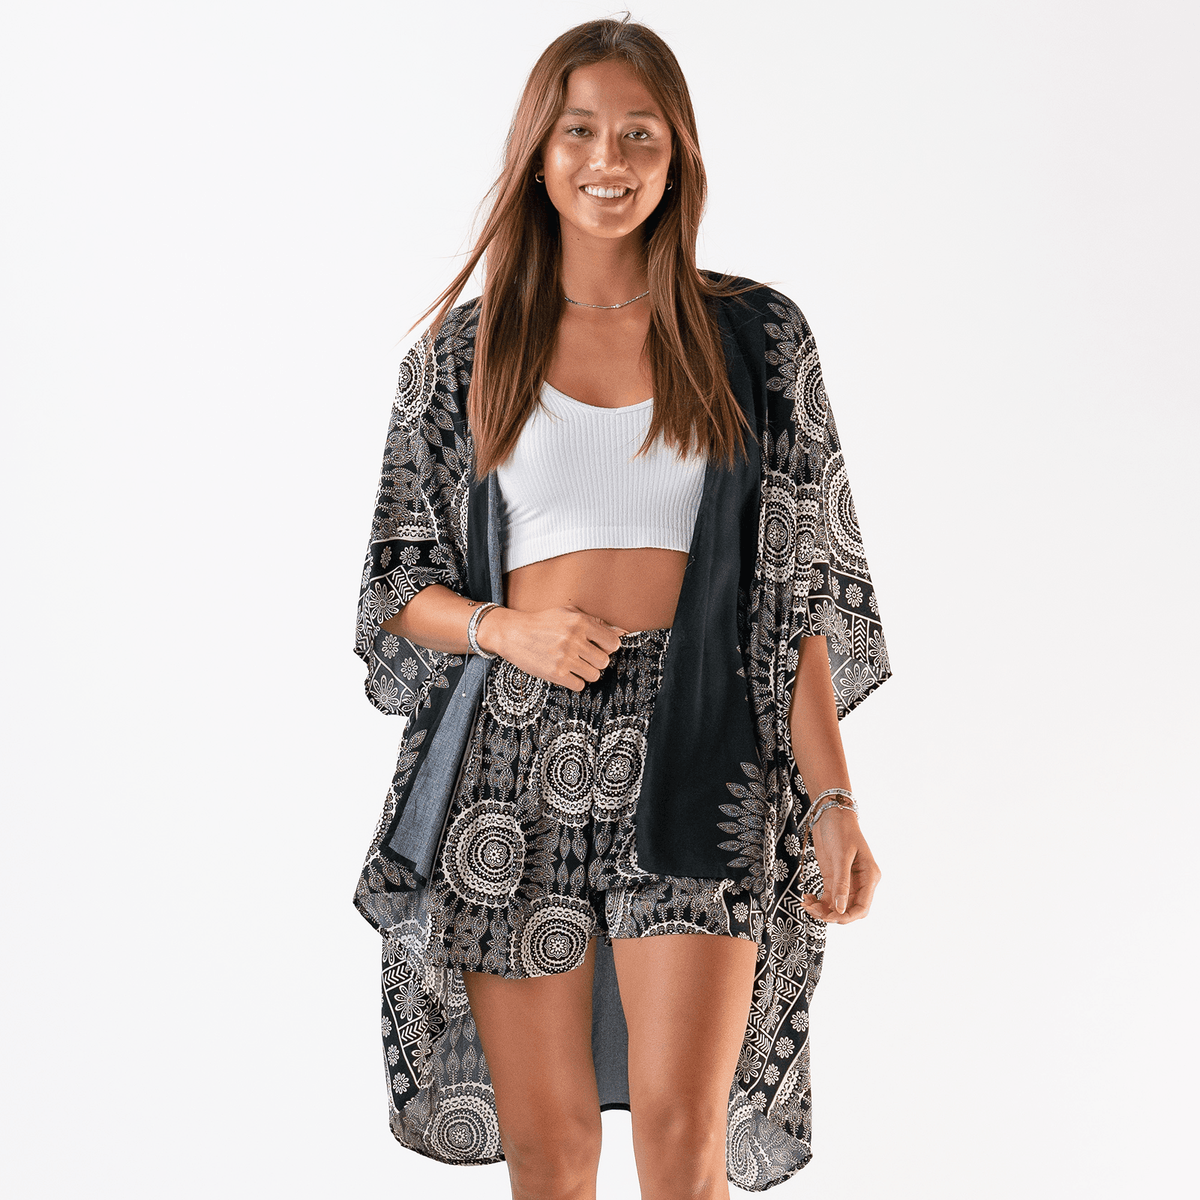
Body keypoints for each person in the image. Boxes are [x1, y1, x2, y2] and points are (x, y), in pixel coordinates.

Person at [352, 16, 892, 1199]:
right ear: (539, 153)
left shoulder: (757, 337)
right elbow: (396, 591)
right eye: (580, 131)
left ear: (678, 153)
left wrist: (834, 799)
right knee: (551, 1154)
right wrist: (506, 629)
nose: (609, 159)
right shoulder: (465, 355)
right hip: (509, 761)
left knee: (682, 1140)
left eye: (640, 134)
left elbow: (797, 596)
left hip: (707, 750)